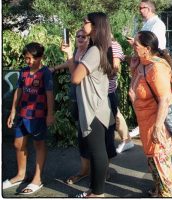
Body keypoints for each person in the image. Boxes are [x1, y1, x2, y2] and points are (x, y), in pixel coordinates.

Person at [129, 31, 172, 197]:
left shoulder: (156, 67)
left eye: (136, 45)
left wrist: (156, 127)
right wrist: (134, 66)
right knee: (152, 159)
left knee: (160, 160)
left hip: (158, 123)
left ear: (147, 49)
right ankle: (158, 189)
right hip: (146, 121)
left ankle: (166, 193)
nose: (133, 47)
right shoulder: (142, 63)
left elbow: (163, 99)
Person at [64, 12, 115, 197]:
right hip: (97, 106)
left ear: (94, 26)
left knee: (97, 152)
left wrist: (71, 57)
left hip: (93, 108)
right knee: (96, 152)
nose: (82, 24)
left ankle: (98, 192)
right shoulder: (98, 48)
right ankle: (94, 189)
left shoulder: (94, 51)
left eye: (85, 22)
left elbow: (75, 78)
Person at [4, 42, 55, 195]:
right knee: (18, 144)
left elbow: (49, 95)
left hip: (38, 116)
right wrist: (13, 111)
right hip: (23, 114)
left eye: (34, 58)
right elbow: (18, 91)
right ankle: (21, 175)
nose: (30, 61)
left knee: (39, 145)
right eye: (27, 58)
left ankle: (37, 179)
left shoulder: (45, 73)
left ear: (41, 57)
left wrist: (50, 114)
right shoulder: (23, 71)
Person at [51, 29, 91, 184]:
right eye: (78, 36)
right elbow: (71, 64)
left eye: (84, 36)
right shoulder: (77, 52)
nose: (80, 38)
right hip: (76, 98)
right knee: (82, 135)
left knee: (93, 137)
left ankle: (101, 171)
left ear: (89, 39)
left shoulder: (91, 54)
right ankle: (84, 171)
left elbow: (76, 77)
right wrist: (55, 67)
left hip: (88, 100)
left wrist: (68, 55)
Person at [128, 0, 167, 138]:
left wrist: (135, 43)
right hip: (143, 63)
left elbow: (156, 45)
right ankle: (143, 124)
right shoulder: (147, 24)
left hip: (151, 63)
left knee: (155, 97)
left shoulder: (157, 24)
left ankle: (156, 127)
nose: (139, 10)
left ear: (149, 9)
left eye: (141, 8)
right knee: (134, 93)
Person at [109, 37, 134, 154]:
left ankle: (126, 140)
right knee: (115, 114)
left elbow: (115, 68)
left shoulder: (113, 45)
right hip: (103, 89)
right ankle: (126, 139)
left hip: (107, 89)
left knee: (115, 114)